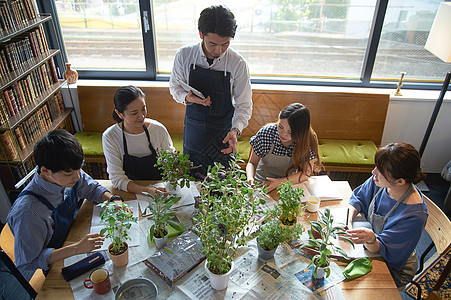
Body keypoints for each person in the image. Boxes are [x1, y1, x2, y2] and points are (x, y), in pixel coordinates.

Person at [6, 129, 124, 273]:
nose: (78, 177)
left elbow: (92, 189)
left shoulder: (68, 173)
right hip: (59, 262)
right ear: (45, 172)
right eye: (70, 174)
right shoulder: (29, 213)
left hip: (75, 235)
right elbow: (28, 262)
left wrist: (114, 200)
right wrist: (76, 248)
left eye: (79, 169)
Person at [169, 5, 252, 178]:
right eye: (212, 44)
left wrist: (235, 130)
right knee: (191, 185)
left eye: (225, 44)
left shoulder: (238, 64)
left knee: (222, 188)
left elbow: (244, 105)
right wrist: (187, 97)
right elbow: (174, 87)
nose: (218, 50)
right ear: (201, 34)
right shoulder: (184, 55)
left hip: (223, 136)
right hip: (194, 132)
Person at [346, 142, 428, 289]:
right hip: (374, 248)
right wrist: (348, 221)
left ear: (400, 181)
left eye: (380, 171)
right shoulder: (382, 183)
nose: (373, 172)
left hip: (392, 266)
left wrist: (371, 239)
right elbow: (358, 199)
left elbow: (382, 250)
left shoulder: (414, 216)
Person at [102, 85, 175, 195]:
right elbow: (117, 179)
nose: (141, 116)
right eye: (134, 113)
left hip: (161, 188)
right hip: (130, 191)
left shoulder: (158, 130)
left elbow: (171, 165)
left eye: (143, 109)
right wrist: (148, 191)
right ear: (119, 114)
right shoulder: (110, 136)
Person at [246, 103, 321, 192]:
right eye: (280, 127)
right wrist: (250, 178)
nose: (283, 134)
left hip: (289, 184)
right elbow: (252, 163)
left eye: (290, 132)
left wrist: (280, 182)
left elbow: (306, 174)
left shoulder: (307, 139)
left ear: (301, 132)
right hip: (262, 183)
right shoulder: (267, 133)